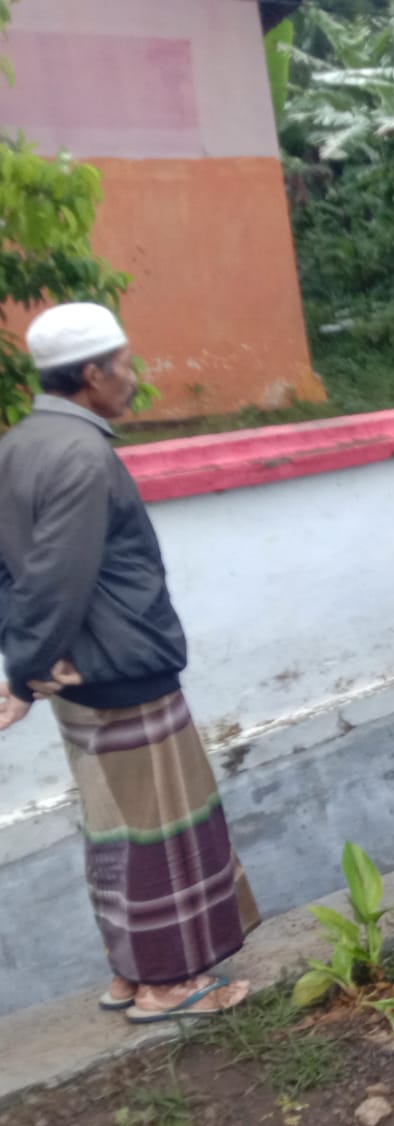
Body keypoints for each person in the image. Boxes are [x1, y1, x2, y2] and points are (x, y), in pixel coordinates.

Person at [0, 303, 256, 1021]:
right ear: (91, 374)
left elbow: (9, 570)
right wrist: (24, 670)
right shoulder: (82, 455)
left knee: (115, 826)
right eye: (124, 365)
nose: (132, 378)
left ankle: (130, 972)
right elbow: (56, 577)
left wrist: (27, 662)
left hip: (81, 674)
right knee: (160, 832)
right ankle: (168, 985)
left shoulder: (20, 443)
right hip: (120, 671)